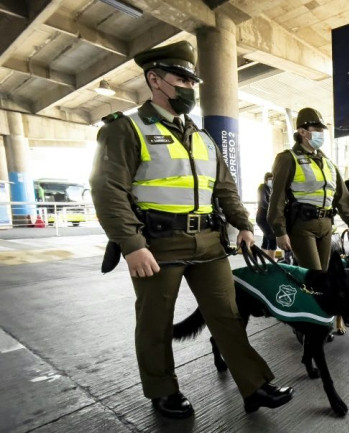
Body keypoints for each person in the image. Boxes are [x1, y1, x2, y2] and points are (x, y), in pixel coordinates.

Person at [89, 41, 293, 419]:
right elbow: (107, 191)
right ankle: (162, 389)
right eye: (180, 78)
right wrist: (132, 245)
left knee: (227, 314)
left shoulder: (202, 137)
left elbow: (225, 188)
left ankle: (254, 385)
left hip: (209, 242)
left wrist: (244, 226)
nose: (189, 87)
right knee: (155, 321)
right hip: (157, 243)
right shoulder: (125, 129)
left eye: (192, 80)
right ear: (154, 80)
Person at [267, 107, 349, 271]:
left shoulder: (328, 163)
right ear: (302, 131)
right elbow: (277, 198)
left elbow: (340, 194)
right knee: (314, 275)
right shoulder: (288, 159)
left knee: (323, 275)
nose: (320, 134)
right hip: (302, 225)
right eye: (316, 130)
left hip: (326, 225)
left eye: (322, 130)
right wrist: (280, 231)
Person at [256, 172, 277, 259]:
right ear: (265, 180)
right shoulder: (262, 187)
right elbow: (263, 202)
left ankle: (262, 261)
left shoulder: (272, 189)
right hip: (262, 218)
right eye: (270, 179)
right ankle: (272, 263)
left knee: (266, 238)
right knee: (273, 237)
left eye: (273, 179)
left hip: (269, 218)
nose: (271, 181)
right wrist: (273, 210)